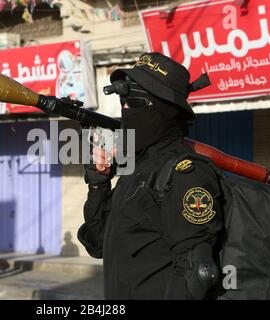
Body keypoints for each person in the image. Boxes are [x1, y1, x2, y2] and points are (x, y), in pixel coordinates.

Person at [78, 52, 224, 300]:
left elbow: (198, 272)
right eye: (123, 101)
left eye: (133, 103)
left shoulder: (184, 173)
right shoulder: (136, 171)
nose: (124, 110)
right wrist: (99, 185)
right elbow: (98, 242)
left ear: (164, 111)